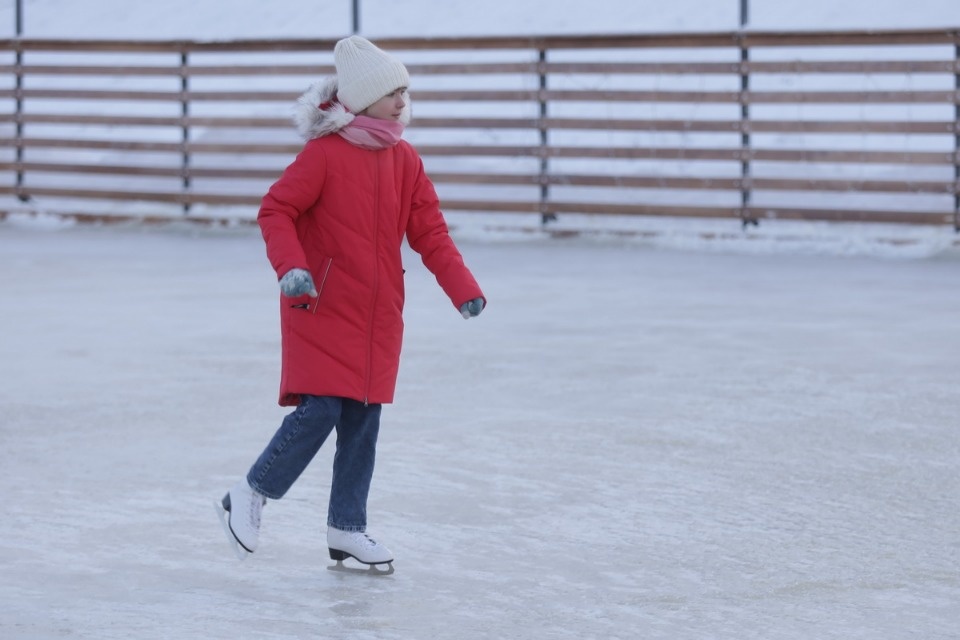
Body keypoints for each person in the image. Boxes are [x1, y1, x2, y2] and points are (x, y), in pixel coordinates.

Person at [216, 35, 486, 570]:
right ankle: (249, 493)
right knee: (322, 409)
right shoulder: (324, 156)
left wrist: (464, 288)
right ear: (363, 99)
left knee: (363, 422)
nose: (403, 101)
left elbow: (430, 232)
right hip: (320, 303)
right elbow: (276, 210)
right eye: (393, 92)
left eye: (405, 91)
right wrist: (291, 267)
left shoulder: (405, 160)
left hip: (377, 315)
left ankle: (346, 527)